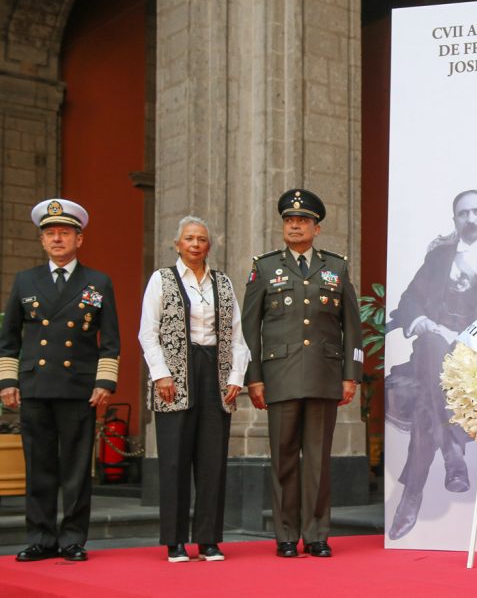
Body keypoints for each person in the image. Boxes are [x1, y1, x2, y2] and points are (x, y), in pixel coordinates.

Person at [387, 190, 477, 540]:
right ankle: (453, 453)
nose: (470, 218)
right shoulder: (439, 257)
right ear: (455, 221)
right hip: (435, 346)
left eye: (476, 212)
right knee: (433, 347)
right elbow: (409, 300)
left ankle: (413, 491)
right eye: (463, 213)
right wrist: (419, 320)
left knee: (427, 400)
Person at [242, 189, 363, 558]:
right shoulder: (264, 268)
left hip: (325, 376)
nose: (295, 225)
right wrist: (254, 377)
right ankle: (284, 535)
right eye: (289, 220)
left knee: (317, 461)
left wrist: (351, 375)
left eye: (303, 220)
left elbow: (352, 327)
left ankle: (315, 534)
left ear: (317, 227)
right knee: (283, 460)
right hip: (279, 377)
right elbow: (249, 328)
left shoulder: (336, 267)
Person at [0, 199, 120, 563]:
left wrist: (104, 383)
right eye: (50, 233)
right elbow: (9, 339)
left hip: (78, 388)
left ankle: (72, 540)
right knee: (39, 467)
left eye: (64, 233)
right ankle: (40, 538)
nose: (57, 239)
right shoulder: (26, 281)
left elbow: (110, 341)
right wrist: (8, 381)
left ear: (78, 240)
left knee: (76, 469)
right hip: (36, 387)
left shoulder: (97, 282)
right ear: (42, 241)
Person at [138, 216, 250, 562]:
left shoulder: (223, 283)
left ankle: (208, 540)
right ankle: (174, 542)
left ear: (209, 246)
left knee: (212, 461)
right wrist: (161, 374)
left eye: (202, 239)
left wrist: (235, 377)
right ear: (177, 244)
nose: (196, 244)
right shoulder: (162, 279)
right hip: (174, 378)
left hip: (215, 375)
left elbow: (236, 335)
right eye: (189, 238)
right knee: (173, 462)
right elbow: (148, 332)